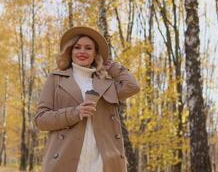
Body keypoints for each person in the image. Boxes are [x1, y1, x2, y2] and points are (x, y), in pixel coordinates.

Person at [35, 26, 140, 172]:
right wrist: (75, 112)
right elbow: (41, 120)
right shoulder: (56, 78)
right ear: (70, 51)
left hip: (102, 163)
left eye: (88, 48)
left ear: (95, 53)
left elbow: (132, 86)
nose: (82, 52)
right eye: (77, 47)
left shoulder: (106, 83)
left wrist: (112, 66)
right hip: (64, 161)